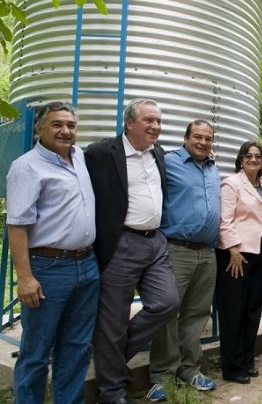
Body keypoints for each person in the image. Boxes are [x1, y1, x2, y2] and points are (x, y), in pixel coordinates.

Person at [85, 98, 180, 404]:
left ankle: (109, 358)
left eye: (159, 122)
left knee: (167, 302)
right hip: (121, 242)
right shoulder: (102, 153)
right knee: (113, 319)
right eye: (148, 120)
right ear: (128, 123)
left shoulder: (159, 154)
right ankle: (111, 391)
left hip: (155, 242)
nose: (155, 127)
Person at [6, 101, 99, 404]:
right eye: (57, 124)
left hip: (86, 265)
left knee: (76, 346)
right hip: (47, 268)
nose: (65, 131)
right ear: (40, 128)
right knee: (36, 350)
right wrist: (25, 277)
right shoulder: (27, 167)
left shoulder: (80, 158)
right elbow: (17, 226)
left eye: (71, 125)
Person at [147, 120, 220, 400]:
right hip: (176, 249)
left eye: (208, 138)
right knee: (168, 313)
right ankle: (162, 375)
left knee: (197, 314)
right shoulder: (169, 162)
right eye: (198, 137)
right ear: (186, 137)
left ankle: (189, 369)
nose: (203, 142)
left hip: (208, 252)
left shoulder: (213, 168)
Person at [216, 141, 262, 384]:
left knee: (252, 310)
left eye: (257, 156)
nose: (253, 159)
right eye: (248, 156)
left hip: (260, 254)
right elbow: (224, 220)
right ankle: (232, 365)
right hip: (236, 256)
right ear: (240, 159)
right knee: (233, 311)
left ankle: (247, 360)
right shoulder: (231, 184)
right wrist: (234, 250)